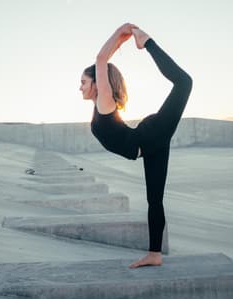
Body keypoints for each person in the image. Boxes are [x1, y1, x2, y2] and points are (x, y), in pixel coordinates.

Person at [80, 23, 192, 268]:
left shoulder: (104, 102)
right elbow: (104, 62)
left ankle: (148, 42)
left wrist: (125, 32)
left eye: (84, 82)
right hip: (150, 145)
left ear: (98, 84)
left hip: (150, 136)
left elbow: (101, 59)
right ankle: (154, 254)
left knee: (184, 82)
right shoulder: (100, 107)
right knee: (155, 200)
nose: (80, 86)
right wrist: (123, 38)